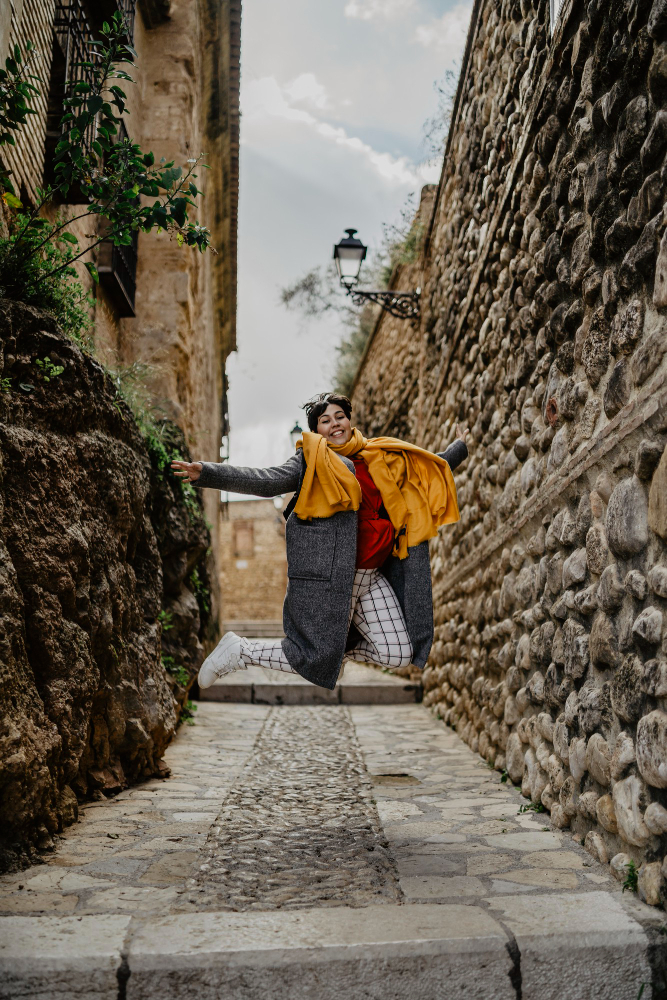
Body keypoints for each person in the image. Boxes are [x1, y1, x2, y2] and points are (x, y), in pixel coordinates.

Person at [171, 393, 468, 691]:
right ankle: (240, 651)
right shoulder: (311, 461)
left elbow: (425, 471)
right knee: (314, 657)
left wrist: (460, 448)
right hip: (334, 579)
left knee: (399, 653)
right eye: (325, 421)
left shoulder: (378, 455)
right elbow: (267, 479)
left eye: (339, 416)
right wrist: (208, 473)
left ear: (349, 420)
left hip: (373, 576)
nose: (334, 424)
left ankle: (328, 655)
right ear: (316, 431)